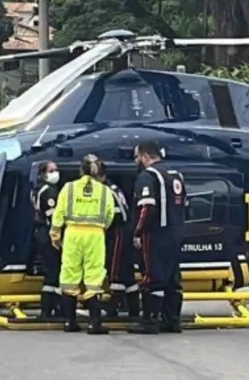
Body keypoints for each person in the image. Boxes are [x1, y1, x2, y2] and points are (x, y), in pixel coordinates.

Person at [50, 154, 115, 335]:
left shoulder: (68, 188)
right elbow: (110, 215)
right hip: (95, 234)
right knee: (94, 277)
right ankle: (95, 323)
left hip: (72, 234)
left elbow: (59, 213)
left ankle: (69, 321)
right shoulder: (105, 191)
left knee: (70, 274)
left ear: (80, 170)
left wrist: (55, 235)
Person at [128, 141, 187, 334]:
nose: (136, 161)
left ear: (145, 156)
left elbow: (147, 208)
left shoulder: (148, 176)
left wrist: (138, 232)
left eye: (137, 157)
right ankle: (172, 321)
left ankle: (149, 321)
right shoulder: (175, 174)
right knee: (172, 279)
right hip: (176, 232)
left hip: (156, 234)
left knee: (152, 278)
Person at [95, 161, 138, 318]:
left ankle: (114, 305)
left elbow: (112, 215)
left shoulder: (105, 190)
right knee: (127, 271)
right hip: (124, 230)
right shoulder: (113, 188)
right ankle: (134, 306)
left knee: (115, 268)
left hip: (118, 231)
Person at [30, 161, 62, 318]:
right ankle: (51, 309)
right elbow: (54, 217)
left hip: (41, 232)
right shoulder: (49, 191)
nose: (55, 173)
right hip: (48, 233)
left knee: (51, 271)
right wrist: (58, 236)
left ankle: (49, 308)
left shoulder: (38, 190)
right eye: (52, 170)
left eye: (56, 170)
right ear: (43, 174)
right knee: (54, 271)